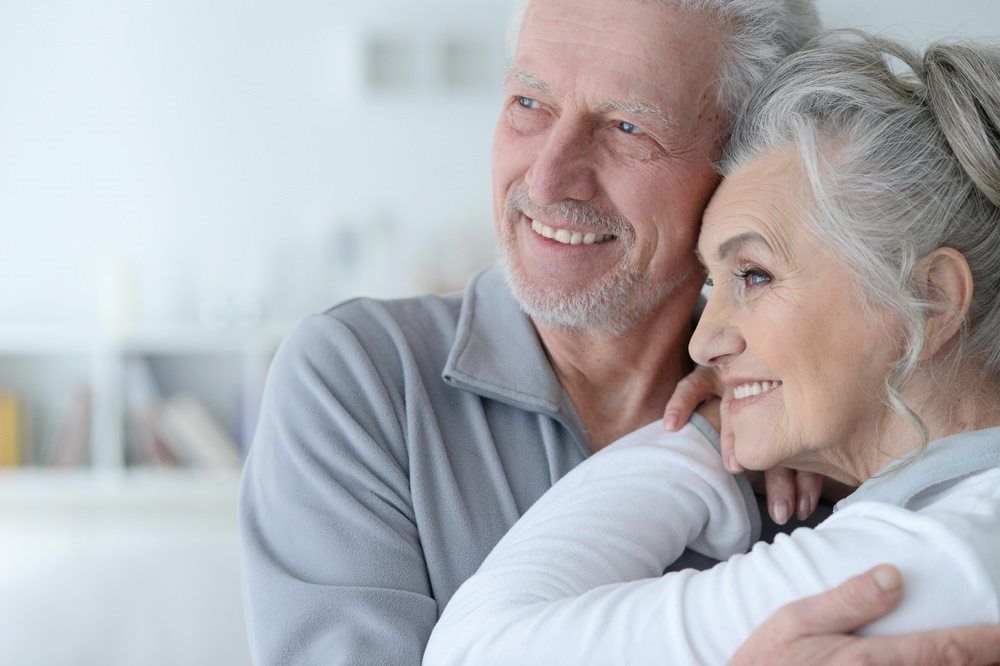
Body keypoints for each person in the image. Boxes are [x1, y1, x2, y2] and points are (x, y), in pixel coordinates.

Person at [238, 0, 1000, 662]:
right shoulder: (360, 380)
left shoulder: (828, 414)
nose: (545, 179)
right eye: (529, 104)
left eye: (627, 125)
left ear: (741, 162)